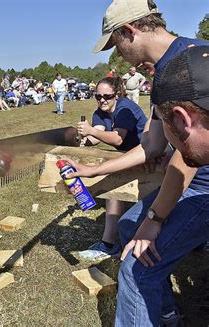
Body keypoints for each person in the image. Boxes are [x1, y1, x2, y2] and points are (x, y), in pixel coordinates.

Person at [67, 0, 209, 325]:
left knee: (136, 268)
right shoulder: (171, 68)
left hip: (200, 189)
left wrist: (157, 218)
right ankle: (163, 310)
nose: (117, 54)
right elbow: (153, 145)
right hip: (188, 184)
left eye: (116, 44)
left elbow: (185, 158)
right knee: (130, 224)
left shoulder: (182, 67)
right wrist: (94, 169)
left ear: (129, 31)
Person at [77, 76, 147, 260]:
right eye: (97, 96)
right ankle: (108, 245)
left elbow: (117, 138)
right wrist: (85, 139)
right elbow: (98, 134)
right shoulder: (100, 112)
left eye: (107, 96)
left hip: (149, 154)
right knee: (113, 190)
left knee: (152, 200)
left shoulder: (125, 109)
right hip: (127, 155)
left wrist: (91, 131)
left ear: (117, 94)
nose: (102, 100)